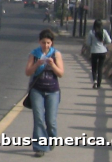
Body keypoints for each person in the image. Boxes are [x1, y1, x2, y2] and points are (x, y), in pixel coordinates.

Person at [25, 29, 64, 157]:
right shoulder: (34, 54)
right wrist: (37, 64)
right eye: (43, 42)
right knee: (39, 119)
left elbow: (61, 74)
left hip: (53, 91)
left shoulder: (56, 54)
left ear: (51, 43)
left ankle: (51, 139)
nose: (46, 45)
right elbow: (28, 72)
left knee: (51, 121)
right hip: (37, 90)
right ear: (39, 42)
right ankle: (40, 147)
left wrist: (52, 65)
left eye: (48, 43)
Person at [87, 19, 111, 89]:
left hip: (94, 51)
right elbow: (109, 41)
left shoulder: (91, 32)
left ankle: (94, 81)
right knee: (100, 68)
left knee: (94, 68)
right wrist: (103, 43)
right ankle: (99, 84)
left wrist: (93, 44)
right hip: (103, 51)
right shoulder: (104, 32)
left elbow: (88, 43)